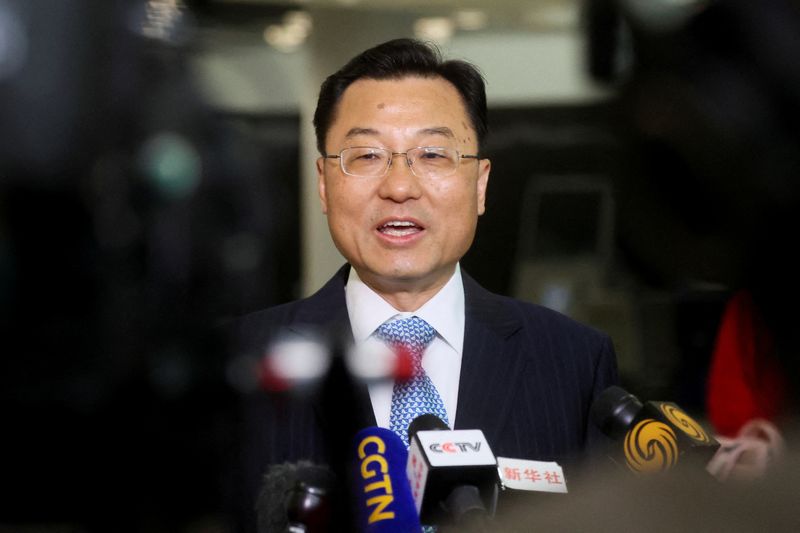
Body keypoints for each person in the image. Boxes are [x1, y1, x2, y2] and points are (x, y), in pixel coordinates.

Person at [231, 38, 618, 531]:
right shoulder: (242, 362)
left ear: (480, 185)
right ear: (325, 184)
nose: (399, 187)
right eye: (366, 155)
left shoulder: (574, 362)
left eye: (432, 154)